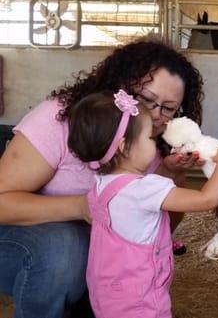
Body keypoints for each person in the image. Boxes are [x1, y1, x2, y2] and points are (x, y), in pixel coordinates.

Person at [0, 37, 205, 317]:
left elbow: (156, 234)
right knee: (65, 246)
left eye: (168, 108)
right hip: (19, 240)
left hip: (98, 263)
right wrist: (82, 208)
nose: (155, 115)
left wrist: (171, 176)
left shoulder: (148, 145)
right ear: (118, 85)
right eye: (145, 99)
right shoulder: (59, 120)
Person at [68, 90, 218, 317]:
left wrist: (167, 167)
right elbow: (206, 200)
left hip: (108, 296)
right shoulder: (144, 189)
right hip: (142, 300)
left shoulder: (101, 184)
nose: (155, 144)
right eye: (149, 138)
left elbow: (141, 200)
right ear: (124, 146)